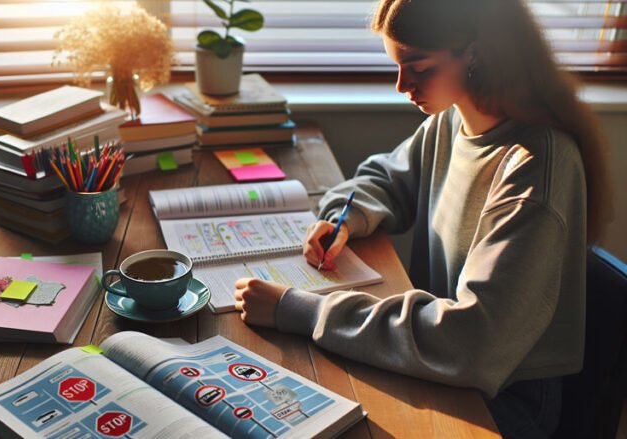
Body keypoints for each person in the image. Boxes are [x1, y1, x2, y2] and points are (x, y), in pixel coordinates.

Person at [232, 0, 614, 437]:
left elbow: (475, 342)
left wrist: (302, 309)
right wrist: (346, 216)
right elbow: (385, 177)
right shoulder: (453, 123)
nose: (401, 86)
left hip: (499, 401)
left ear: (475, 52)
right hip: (437, 360)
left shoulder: (535, 170)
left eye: (419, 67)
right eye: (397, 66)